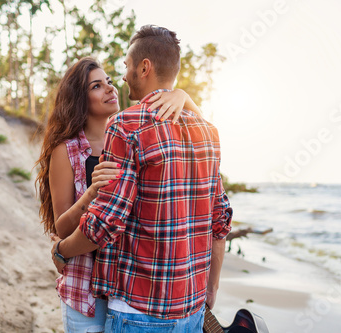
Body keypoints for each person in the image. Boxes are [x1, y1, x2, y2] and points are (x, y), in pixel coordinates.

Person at [51, 25, 232, 332]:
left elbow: (107, 222)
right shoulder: (207, 131)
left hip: (138, 308)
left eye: (124, 68)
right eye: (98, 85)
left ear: (144, 67)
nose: (120, 80)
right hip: (190, 309)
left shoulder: (126, 126)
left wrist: (60, 251)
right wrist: (210, 288)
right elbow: (221, 218)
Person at [35, 57, 202, 332]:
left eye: (110, 82)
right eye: (97, 86)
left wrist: (183, 96)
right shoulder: (66, 150)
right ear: (79, 98)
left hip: (129, 290)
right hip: (87, 290)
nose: (110, 89)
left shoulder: (132, 135)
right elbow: (61, 228)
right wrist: (90, 194)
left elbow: (201, 133)